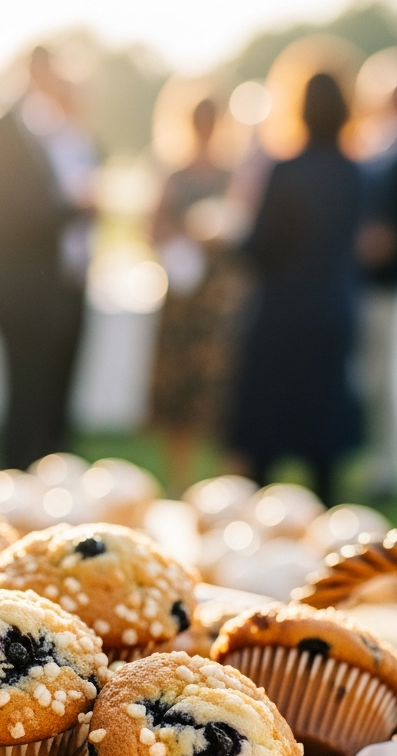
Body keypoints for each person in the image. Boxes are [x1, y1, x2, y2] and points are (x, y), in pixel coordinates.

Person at [229, 74, 363, 507]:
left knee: (266, 432)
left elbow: (258, 249)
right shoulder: (354, 173)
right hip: (334, 309)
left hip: (282, 314)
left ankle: (255, 528)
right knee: (322, 431)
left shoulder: (284, 171)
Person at [0, 47, 98, 471]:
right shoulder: (3, 133)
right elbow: (10, 212)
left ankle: (55, 484)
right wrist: (72, 207)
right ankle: (12, 487)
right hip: (24, 295)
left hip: (64, 290)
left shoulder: (61, 133)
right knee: (24, 403)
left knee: (56, 405)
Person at [151, 99, 244, 495]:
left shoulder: (233, 175)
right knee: (180, 397)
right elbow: (153, 230)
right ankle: (180, 485)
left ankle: (226, 491)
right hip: (183, 300)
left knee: (223, 396)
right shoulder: (174, 175)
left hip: (220, 303)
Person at [357, 82, 397, 500]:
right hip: (375, 285)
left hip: (387, 282)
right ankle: (381, 463)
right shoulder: (377, 147)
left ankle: (386, 467)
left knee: (387, 383)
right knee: (377, 382)